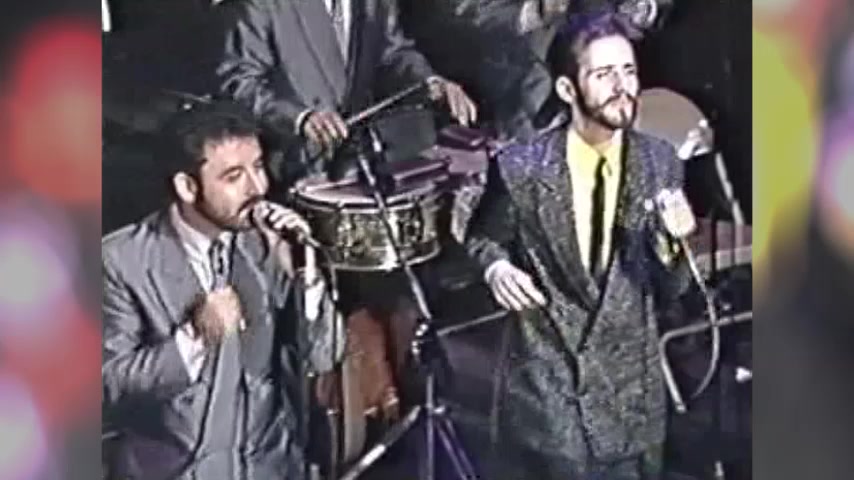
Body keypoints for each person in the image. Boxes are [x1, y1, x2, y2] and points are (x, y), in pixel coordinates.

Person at [465, 12, 696, 479]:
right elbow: (483, 237)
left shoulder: (660, 163)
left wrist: (676, 243)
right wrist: (496, 268)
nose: (622, 87)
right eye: (603, 74)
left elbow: (671, 292)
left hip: (630, 404)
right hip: (550, 404)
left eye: (628, 71)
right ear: (568, 89)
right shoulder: (522, 167)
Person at [101, 101, 343, 479]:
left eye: (258, 167)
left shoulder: (265, 242)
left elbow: (323, 358)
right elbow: (109, 383)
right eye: (233, 176)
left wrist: (305, 270)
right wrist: (196, 337)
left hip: (269, 467)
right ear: (187, 187)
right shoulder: (120, 260)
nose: (258, 188)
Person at [216, 0, 479, 182]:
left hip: (361, 162)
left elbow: (393, 53)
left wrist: (430, 81)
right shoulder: (261, 5)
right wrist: (300, 118)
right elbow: (239, 84)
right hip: (294, 168)